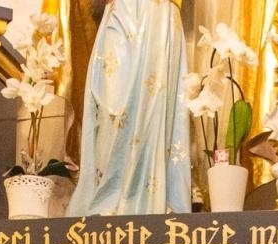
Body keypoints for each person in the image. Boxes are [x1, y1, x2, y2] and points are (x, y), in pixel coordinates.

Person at [66, 0, 190, 217]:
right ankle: (108, 201)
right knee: (109, 108)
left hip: (157, 15)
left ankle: (150, 201)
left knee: (152, 117)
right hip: (120, 11)